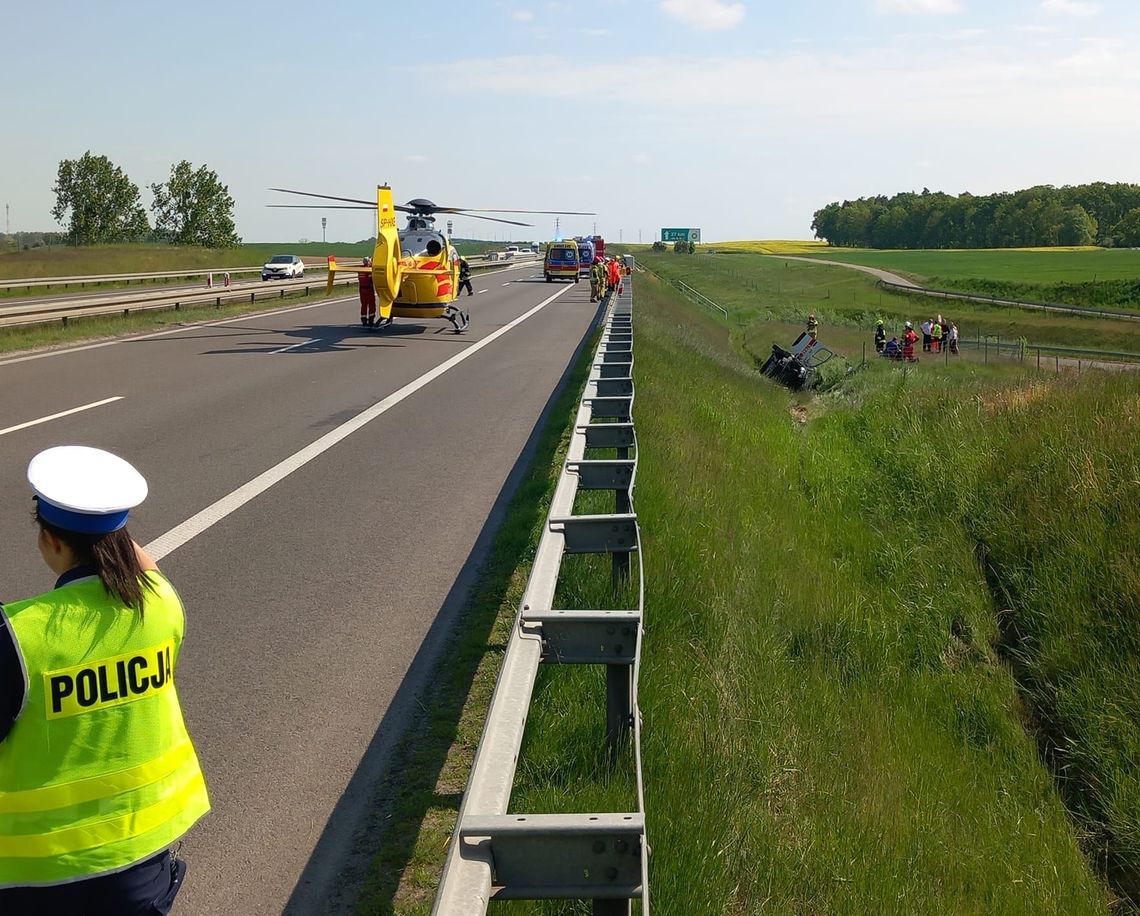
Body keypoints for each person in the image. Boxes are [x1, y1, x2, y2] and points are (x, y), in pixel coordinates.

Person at [0, 447, 210, 911]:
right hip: (142, 864)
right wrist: (109, 521)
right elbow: (145, 569)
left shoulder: (19, 634)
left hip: (39, 880)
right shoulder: (159, 604)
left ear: (52, 542)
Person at [358, 256, 377, 327]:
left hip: (361, 290)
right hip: (369, 289)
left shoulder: (360, 270)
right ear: (368, 262)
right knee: (371, 305)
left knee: (364, 305)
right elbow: (372, 279)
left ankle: (364, 320)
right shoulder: (368, 270)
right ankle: (371, 321)